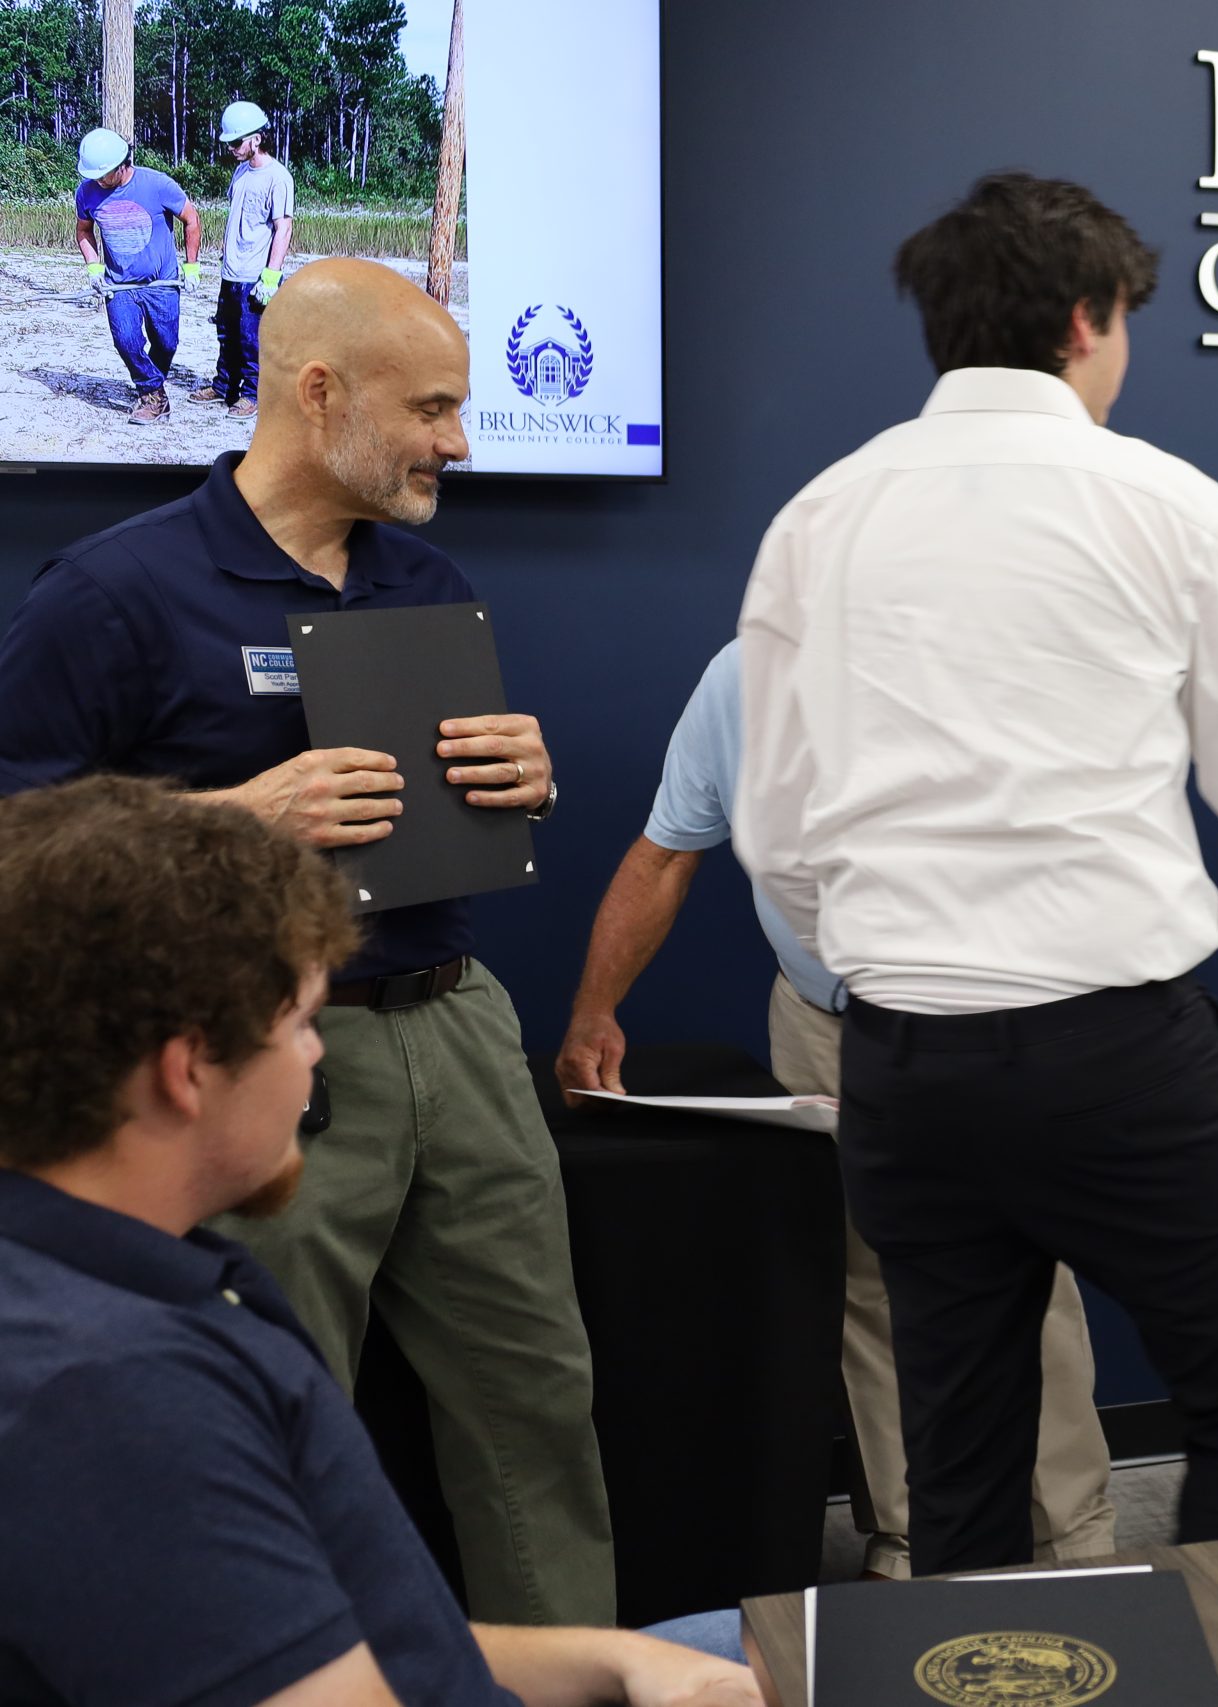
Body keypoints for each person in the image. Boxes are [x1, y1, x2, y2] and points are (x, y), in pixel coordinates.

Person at [735, 172, 1218, 1575]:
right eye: (1126, 321)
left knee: (959, 1444)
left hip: (899, 1061)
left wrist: (890, 947)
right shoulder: (1167, 501)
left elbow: (777, 831)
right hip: (1114, 1057)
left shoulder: (818, 516)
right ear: (1088, 319)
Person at [0, 257, 617, 1625]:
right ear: (319, 389)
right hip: (258, 1057)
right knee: (274, 1414)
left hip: (458, 1027)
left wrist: (521, 775)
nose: (460, 440)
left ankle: (581, 1667)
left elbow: (453, 801)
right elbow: (15, 842)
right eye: (436, 407)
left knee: (536, 1401)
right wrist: (234, 817)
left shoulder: (428, 574)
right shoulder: (115, 590)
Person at [0, 776, 759, 1707]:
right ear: (187, 1069)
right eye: (301, 1024)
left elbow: (355, 1644)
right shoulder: (121, 1396)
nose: (319, 1053)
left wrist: (622, 1663)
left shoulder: (157, 1277)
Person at [557, 636, 1120, 1579]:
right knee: (865, 1285)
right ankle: (913, 1535)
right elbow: (665, 856)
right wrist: (594, 1007)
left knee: (1022, 1281)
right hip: (822, 1018)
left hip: (980, 1014)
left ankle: (1072, 1545)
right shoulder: (739, 679)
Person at [71, 127, 202, 424]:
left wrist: (191, 266)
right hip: (120, 285)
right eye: (95, 176)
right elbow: (83, 230)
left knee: (167, 343)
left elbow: (191, 218)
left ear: (123, 163)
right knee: (127, 341)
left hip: (161, 283)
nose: (99, 181)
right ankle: (153, 394)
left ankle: (150, 381)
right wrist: (94, 266)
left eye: (105, 174)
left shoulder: (157, 185)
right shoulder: (87, 192)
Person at [193, 100, 295, 418]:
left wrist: (270, 276)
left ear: (257, 139)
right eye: (229, 143)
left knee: (252, 340)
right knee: (226, 334)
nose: (232, 149)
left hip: (255, 276)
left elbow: (283, 227)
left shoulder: (278, 178)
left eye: (237, 142)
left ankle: (251, 395)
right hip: (231, 273)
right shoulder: (240, 172)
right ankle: (224, 386)